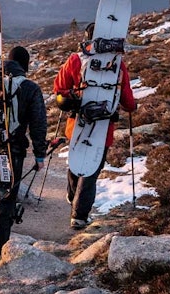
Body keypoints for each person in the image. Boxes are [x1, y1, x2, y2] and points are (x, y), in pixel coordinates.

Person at [54, 23, 137, 229]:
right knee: (91, 169)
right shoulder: (117, 63)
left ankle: (73, 197)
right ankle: (80, 215)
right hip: (103, 127)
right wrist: (131, 106)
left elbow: (59, 88)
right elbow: (127, 98)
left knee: (77, 161)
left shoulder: (76, 59)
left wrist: (72, 96)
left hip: (77, 124)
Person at [0, 45, 48, 268]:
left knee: (0, 198)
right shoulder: (29, 88)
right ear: (25, 65)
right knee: (6, 202)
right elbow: (38, 124)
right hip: (13, 151)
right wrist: (40, 155)